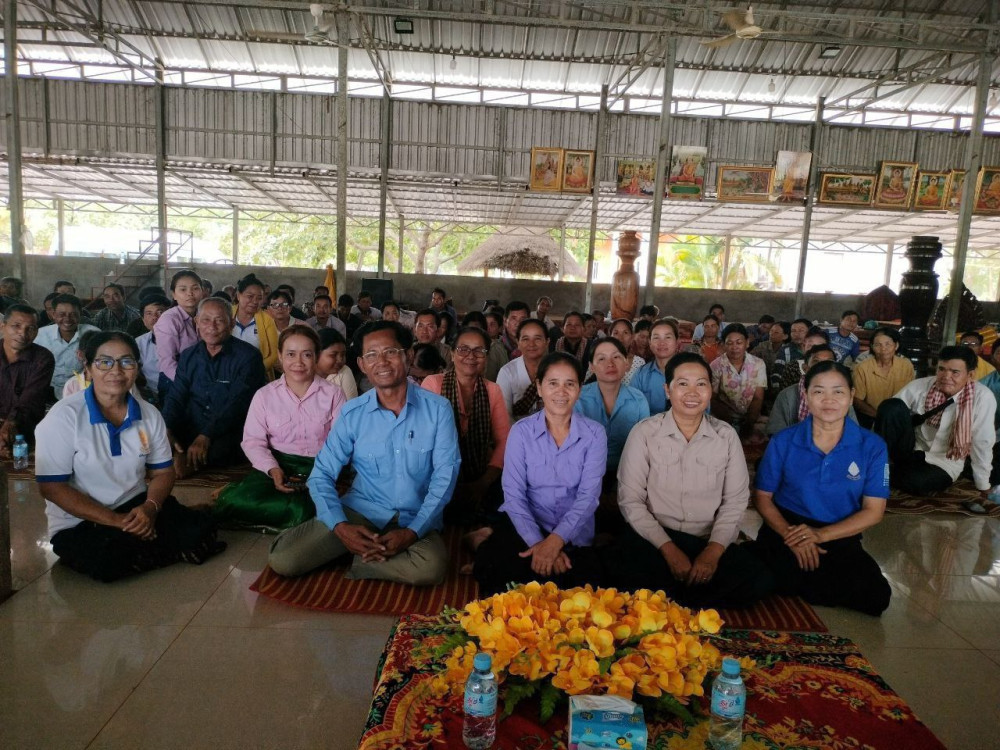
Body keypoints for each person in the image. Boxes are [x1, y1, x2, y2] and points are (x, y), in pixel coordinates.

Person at [267, 321, 460, 585]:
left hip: (414, 516)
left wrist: (412, 533)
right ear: (361, 364)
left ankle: (357, 557)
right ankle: (361, 548)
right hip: (361, 511)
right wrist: (341, 527)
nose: (382, 362)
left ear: (409, 355)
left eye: (390, 352)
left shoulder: (438, 409)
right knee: (284, 559)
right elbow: (321, 474)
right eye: (371, 355)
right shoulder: (353, 413)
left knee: (431, 568)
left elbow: (445, 477)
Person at [35, 331, 223, 582]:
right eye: (104, 362)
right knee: (107, 561)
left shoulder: (149, 414)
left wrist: (150, 508)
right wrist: (116, 520)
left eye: (126, 361)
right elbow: (52, 487)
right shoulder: (63, 417)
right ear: (88, 369)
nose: (116, 370)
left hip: (137, 506)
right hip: (80, 520)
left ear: (137, 368)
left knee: (201, 529)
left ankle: (156, 548)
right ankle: (168, 549)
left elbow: (163, 472)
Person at [612, 352, 774, 608]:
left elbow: (735, 501)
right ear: (668, 390)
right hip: (656, 539)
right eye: (682, 384)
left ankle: (668, 600)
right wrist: (669, 549)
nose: (692, 393)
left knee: (760, 580)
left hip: (704, 539)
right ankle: (687, 598)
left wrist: (713, 552)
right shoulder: (645, 432)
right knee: (622, 568)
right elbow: (630, 500)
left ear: (711, 390)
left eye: (701, 384)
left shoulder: (725, 436)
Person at [751, 361, 892, 616]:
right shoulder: (784, 440)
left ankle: (803, 581)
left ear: (851, 395)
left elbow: (874, 511)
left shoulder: (872, 445)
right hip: (787, 527)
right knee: (759, 578)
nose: (828, 400)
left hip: (837, 531)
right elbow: (762, 497)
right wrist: (793, 536)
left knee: (876, 596)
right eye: (818, 391)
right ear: (806, 396)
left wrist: (819, 535)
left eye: (838, 391)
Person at [474, 352, 607, 596]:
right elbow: (513, 494)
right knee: (503, 582)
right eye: (552, 383)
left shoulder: (595, 434)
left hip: (573, 533)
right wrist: (538, 544)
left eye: (570, 384)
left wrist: (555, 542)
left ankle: (486, 538)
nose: (561, 392)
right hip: (528, 526)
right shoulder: (521, 432)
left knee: (583, 590)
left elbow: (588, 498)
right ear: (539, 387)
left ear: (579, 389)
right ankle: (482, 541)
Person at [213, 327, 347, 531]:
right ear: (280, 356)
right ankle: (237, 492)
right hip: (278, 464)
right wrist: (273, 469)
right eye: (291, 354)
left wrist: (321, 474)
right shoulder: (264, 395)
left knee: (301, 510)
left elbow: (340, 443)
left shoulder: (334, 394)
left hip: (319, 466)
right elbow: (253, 441)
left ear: (316, 357)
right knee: (233, 502)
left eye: (307, 355)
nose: (298, 362)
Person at [874, 346, 997, 508]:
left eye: (955, 372)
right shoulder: (920, 386)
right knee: (891, 406)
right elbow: (888, 418)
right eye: (941, 369)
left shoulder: (983, 397)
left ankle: (891, 472)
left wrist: (983, 484)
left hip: (944, 461)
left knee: (918, 483)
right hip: (911, 448)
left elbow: (982, 442)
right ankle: (879, 466)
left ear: (970, 375)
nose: (946, 377)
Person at [161, 298, 268, 474]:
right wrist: (167, 428)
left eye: (219, 320)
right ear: (197, 322)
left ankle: (186, 461)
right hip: (193, 425)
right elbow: (176, 396)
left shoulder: (249, 357)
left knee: (221, 451)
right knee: (154, 440)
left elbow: (238, 404)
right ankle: (181, 456)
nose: (212, 326)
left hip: (228, 429)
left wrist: (206, 435)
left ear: (231, 324)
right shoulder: (188, 356)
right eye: (205, 320)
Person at [421, 327, 510, 526]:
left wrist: (483, 483)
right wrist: (449, 484)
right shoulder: (433, 384)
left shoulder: (493, 390)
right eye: (463, 349)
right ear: (452, 354)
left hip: (482, 474)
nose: (471, 356)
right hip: (438, 477)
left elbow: (504, 441)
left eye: (479, 351)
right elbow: (425, 441)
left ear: (486, 357)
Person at [575, 338, 649, 477]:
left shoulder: (638, 399)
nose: (610, 364)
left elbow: (643, 446)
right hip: (582, 470)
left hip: (627, 472)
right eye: (601, 359)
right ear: (591, 366)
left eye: (616, 357)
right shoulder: (578, 398)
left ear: (626, 363)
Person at [767, 345, 859, 434]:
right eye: (816, 362)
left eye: (828, 362)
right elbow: (776, 432)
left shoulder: (841, 395)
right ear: (805, 368)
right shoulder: (787, 395)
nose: (822, 367)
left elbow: (853, 432)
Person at [0, 304, 55, 452]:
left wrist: (9, 425)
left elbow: (31, 399)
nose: (23, 334)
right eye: (16, 326)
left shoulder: (42, 358)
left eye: (30, 328)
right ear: (3, 326)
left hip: (25, 430)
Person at [35, 294, 100, 400]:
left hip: (82, 389)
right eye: (62, 314)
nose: (67, 319)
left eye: (73, 314)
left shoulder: (93, 334)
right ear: (53, 315)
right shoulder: (40, 335)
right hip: (48, 390)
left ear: (80, 314)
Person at [154, 269, 204, 400]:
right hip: (174, 380)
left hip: (199, 377)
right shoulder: (169, 319)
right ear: (174, 295)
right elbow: (167, 362)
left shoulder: (203, 315)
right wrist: (190, 385)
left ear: (202, 291)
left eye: (195, 288)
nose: (190, 293)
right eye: (183, 289)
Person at [710, 323, 766, 439]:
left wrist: (749, 423)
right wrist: (728, 421)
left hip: (751, 415)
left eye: (739, 343)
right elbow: (712, 398)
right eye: (729, 343)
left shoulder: (758, 364)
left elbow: (758, 397)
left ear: (747, 343)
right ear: (723, 345)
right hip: (724, 416)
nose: (734, 347)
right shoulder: (716, 365)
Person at [852, 327, 915, 429]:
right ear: (872, 347)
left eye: (888, 344)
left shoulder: (906, 365)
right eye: (878, 345)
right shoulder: (862, 368)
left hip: (899, 419)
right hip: (871, 418)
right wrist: (880, 416)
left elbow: (912, 395)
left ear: (896, 345)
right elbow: (857, 400)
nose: (883, 349)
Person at [497, 318, 549, 420]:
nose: (531, 344)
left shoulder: (557, 369)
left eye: (537, 339)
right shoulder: (507, 373)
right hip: (516, 429)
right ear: (518, 343)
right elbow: (504, 416)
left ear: (547, 342)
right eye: (525, 339)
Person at [231, 273, 279, 378]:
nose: (255, 301)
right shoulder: (226, 314)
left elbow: (274, 354)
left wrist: (255, 370)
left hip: (257, 375)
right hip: (226, 372)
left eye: (259, 298)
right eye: (250, 296)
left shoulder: (267, 320)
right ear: (238, 296)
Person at [631, 319, 680, 414]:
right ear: (650, 343)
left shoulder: (692, 372)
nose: (662, 343)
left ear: (677, 341)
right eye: (656, 338)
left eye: (668, 337)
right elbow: (632, 409)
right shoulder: (641, 374)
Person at [134, 296, 169, 404]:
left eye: (160, 312)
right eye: (149, 313)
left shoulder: (185, 341)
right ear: (143, 320)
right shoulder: (138, 343)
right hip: (151, 398)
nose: (154, 317)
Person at [317, 328, 358, 400]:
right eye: (333, 355)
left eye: (343, 355)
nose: (340, 360)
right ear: (316, 354)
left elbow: (351, 405)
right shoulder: (303, 374)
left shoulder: (344, 371)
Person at [609, 318, 645, 386]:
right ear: (610, 337)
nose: (620, 338)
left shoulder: (639, 362)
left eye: (625, 333)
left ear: (632, 337)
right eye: (616, 333)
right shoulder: (600, 359)